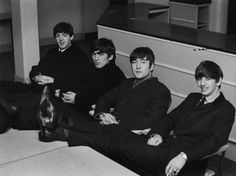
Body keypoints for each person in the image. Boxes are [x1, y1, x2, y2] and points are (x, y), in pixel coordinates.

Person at [39, 60, 234, 176]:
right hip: (163, 145)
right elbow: (170, 119)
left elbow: (214, 142)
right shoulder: (193, 98)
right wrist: (157, 133)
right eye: (200, 78)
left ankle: (61, 128)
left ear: (218, 80)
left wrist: (183, 157)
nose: (202, 83)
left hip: (182, 160)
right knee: (113, 130)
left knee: (116, 139)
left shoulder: (226, 109)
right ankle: (61, 127)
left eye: (208, 78)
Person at [37, 46, 171, 144]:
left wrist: (116, 121)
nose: (137, 67)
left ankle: (56, 130)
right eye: (134, 62)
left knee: (91, 131)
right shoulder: (127, 83)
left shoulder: (160, 90)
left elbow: (150, 120)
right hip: (109, 124)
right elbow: (106, 98)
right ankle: (55, 121)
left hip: (129, 132)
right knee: (78, 117)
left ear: (152, 66)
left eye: (143, 62)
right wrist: (102, 114)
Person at [0, 38, 125, 131]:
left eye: (101, 54)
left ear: (110, 57)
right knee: (41, 105)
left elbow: (102, 97)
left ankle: (13, 113)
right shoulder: (91, 67)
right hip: (73, 103)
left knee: (49, 110)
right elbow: (74, 81)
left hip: (88, 112)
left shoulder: (115, 74)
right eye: (94, 54)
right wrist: (66, 92)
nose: (96, 58)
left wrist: (76, 99)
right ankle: (10, 113)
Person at [0, 22, 89, 133]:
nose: (61, 39)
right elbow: (36, 68)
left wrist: (54, 80)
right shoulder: (52, 52)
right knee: (4, 86)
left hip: (49, 92)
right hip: (36, 85)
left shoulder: (80, 57)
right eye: (57, 36)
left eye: (64, 35)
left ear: (72, 37)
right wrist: (35, 77)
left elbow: (77, 81)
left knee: (17, 101)